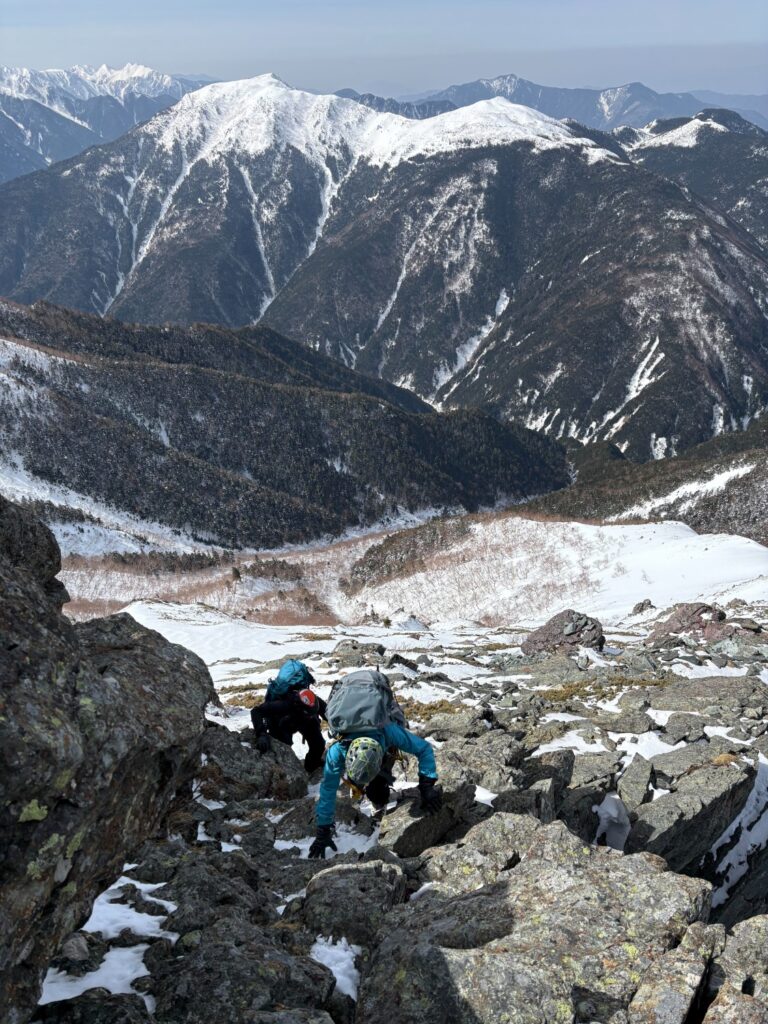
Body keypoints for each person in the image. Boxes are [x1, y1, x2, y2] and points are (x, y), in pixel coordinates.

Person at [308, 723, 442, 859]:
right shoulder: (336, 752)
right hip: (365, 753)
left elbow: (424, 749)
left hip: (384, 750)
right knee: (359, 781)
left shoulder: (388, 731)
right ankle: (361, 785)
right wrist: (323, 829)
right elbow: (328, 790)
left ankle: (377, 796)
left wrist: (427, 785)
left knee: (377, 791)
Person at [251, 659, 327, 773]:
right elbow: (256, 711)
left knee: (318, 744)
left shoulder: (314, 701)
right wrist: (261, 734)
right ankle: (286, 772)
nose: (312, 716)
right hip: (282, 722)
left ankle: (312, 767)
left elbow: (328, 713)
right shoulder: (283, 705)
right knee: (283, 748)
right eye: (310, 714)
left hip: (301, 720)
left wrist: (342, 729)